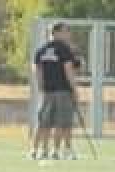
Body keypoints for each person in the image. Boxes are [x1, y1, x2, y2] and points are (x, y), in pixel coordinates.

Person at [31, 22, 82, 161]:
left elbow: (37, 71)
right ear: (56, 33)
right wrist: (75, 89)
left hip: (47, 92)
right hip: (63, 91)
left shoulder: (41, 50)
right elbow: (69, 70)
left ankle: (38, 150)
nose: (68, 34)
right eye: (66, 31)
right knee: (63, 122)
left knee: (43, 122)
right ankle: (58, 150)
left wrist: (42, 88)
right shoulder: (64, 49)